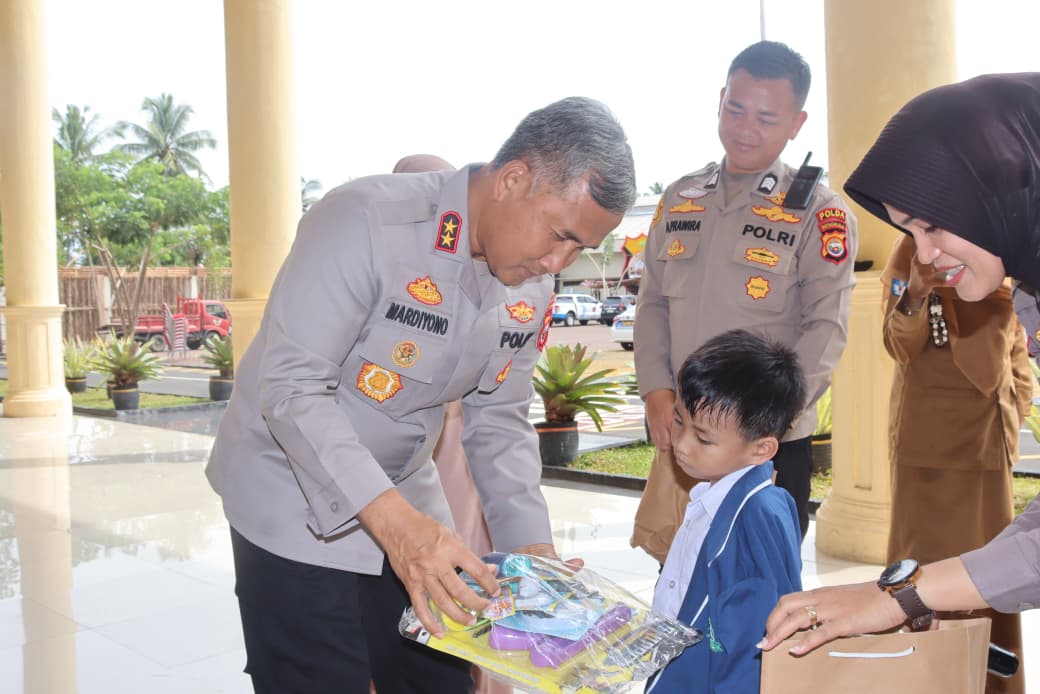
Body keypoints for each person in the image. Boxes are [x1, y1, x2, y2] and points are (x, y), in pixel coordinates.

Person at [205, 96, 637, 693]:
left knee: (438, 678)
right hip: (290, 492)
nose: (559, 261)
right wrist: (400, 531)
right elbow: (292, 388)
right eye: (560, 235)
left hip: (407, 489)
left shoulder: (532, 278)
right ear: (513, 179)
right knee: (318, 675)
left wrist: (533, 552)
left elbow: (499, 419)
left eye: (579, 249)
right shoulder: (362, 222)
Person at [761, 72, 1040, 657]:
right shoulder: (1019, 277)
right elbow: (899, 335)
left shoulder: (1007, 289)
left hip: (977, 439)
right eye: (910, 230)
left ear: (998, 189)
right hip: (921, 436)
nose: (925, 250)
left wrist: (899, 596)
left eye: (933, 224)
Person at [632, 40, 857, 562]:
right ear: (719, 101)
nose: (745, 127)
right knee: (677, 574)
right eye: (735, 109)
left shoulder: (819, 213)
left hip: (766, 441)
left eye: (765, 116)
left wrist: (756, 423)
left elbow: (826, 330)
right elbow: (653, 307)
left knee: (755, 591)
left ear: (796, 123)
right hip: (686, 432)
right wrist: (657, 392)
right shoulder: (680, 198)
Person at [881, 234, 1031, 693]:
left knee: (991, 577)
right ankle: (919, 682)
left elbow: (1018, 344)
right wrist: (917, 293)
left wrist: (1016, 401)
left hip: (986, 441)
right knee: (916, 576)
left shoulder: (1007, 242)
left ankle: (993, 685)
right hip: (923, 446)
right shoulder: (912, 250)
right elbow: (896, 344)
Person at [646, 329, 806, 693]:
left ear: (761, 449)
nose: (682, 444)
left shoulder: (759, 516)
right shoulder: (713, 492)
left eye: (703, 438)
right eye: (679, 421)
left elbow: (759, 642)